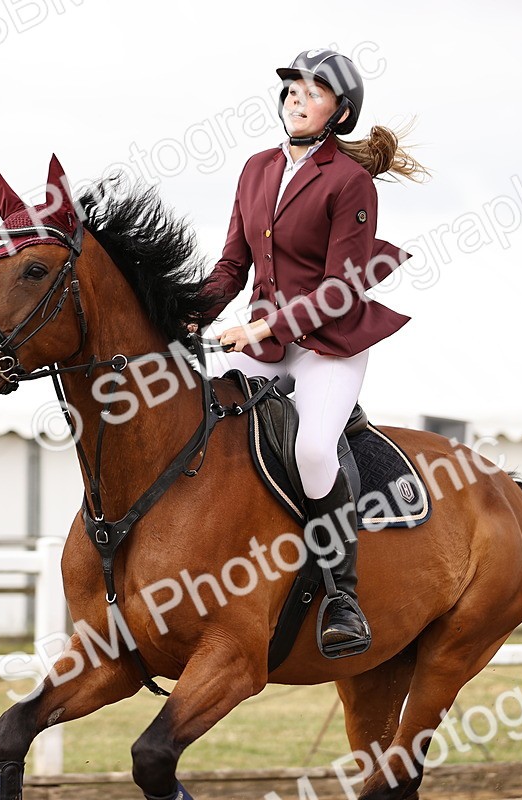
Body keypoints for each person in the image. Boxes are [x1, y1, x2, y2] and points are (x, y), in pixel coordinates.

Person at [192, 48, 427, 656]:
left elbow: (341, 287)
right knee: (203, 421)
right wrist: (187, 314)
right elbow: (231, 267)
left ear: (339, 113)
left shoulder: (349, 182)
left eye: (314, 89)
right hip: (266, 346)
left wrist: (261, 328)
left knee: (314, 447)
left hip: (328, 342)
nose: (297, 95)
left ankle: (342, 596)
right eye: (293, 85)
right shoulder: (255, 169)